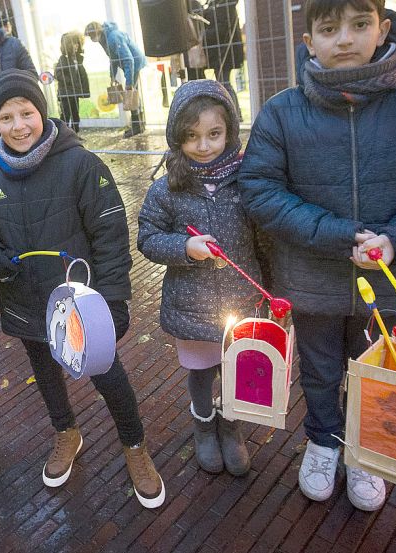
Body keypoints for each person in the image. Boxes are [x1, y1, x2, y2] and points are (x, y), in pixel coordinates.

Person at [239, 1, 396, 511]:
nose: (344, 38)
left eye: (359, 24)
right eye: (328, 28)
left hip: (389, 278)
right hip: (310, 280)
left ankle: (367, 449)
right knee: (320, 368)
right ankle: (325, 441)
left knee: (379, 368)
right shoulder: (281, 112)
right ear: (309, 43)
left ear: (383, 29)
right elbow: (257, 187)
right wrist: (335, 234)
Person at [0, 69, 166, 509]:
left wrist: (113, 300)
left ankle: (134, 446)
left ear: (42, 112)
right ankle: (66, 432)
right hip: (26, 301)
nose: (18, 125)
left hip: (82, 304)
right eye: (6, 117)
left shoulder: (81, 165)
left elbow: (110, 236)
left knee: (106, 374)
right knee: (45, 371)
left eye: (26, 112)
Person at [137, 80, 256, 476]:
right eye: (192, 136)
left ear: (230, 132)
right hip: (192, 304)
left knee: (237, 370)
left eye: (214, 134)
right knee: (201, 372)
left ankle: (231, 425)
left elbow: (267, 236)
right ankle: (204, 425)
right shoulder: (167, 188)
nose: (204, 145)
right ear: (177, 137)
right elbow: (148, 238)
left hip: (241, 302)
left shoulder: (248, 181)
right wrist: (183, 248)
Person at [85, 21, 148, 138]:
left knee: (130, 94)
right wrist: (112, 76)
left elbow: (129, 59)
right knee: (134, 93)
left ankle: (137, 127)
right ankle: (140, 124)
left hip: (134, 63)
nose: (92, 39)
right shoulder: (104, 39)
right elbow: (113, 58)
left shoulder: (113, 38)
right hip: (131, 62)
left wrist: (129, 82)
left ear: (97, 32)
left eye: (92, 36)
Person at [203, 0, 245, 119]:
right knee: (223, 82)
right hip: (221, 52)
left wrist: (203, 35)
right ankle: (235, 113)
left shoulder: (223, 5)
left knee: (224, 83)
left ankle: (234, 113)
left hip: (225, 52)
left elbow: (221, 28)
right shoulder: (217, 4)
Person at [55, 31, 90, 133]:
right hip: (66, 92)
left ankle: (75, 133)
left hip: (74, 92)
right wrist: (70, 82)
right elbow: (58, 73)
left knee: (75, 113)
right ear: (68, 45)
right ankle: (62, 134)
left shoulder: (77, 59)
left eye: (77, 43)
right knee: (66, 114)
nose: (76, 46)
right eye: (73, 43)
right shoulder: (63, 59)